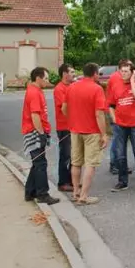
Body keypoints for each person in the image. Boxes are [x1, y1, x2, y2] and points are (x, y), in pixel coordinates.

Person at [64, 63, 107, 205]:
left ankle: (76, 192)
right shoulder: (97, 89)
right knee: (90, 164)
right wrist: (104, 134)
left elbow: (64, 108)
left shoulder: (71, 87)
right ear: (95, 73)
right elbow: (99, 114)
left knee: (76, 162)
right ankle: (84, 196)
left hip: (75, 130)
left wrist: (72, 120)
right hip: (92, 132)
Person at [22, 66, 60, 205]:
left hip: (35, 130)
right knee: (40, 163)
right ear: (38, 78)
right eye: (45, 78)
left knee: (37, 162)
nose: (47, 81)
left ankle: (30, 191)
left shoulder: (35, 90)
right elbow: (35, 115)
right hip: (34, 131)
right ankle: (42, 193)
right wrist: (41, 133)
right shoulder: (34, 93)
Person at [107, 62, 135, 193]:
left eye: (126, 71)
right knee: (120, 155)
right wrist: (114, 118)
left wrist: (132, 81)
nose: (122, 74)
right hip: (120, 125)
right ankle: (122, 182)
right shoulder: (115, 86)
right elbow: (111, 105)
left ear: (132, 72)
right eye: (121, 71)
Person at [106, 59, 133, 175]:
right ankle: (115, 164)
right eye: (129, 65)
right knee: (118, 141)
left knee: (120, 141)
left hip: (118, 111)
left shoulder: (116, 76)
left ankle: (119, 164)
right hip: (117, 112)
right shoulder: (117, 77)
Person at [54, 63, 75, 192]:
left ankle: (73, 180)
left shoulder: (72, 86)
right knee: (65, 154)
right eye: (72, 72)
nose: (74, 74)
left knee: (74, 154)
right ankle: (63, 182)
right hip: (64, 127)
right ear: (65, 74)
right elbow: (64, 108)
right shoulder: (59, 89)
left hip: (73, 126)